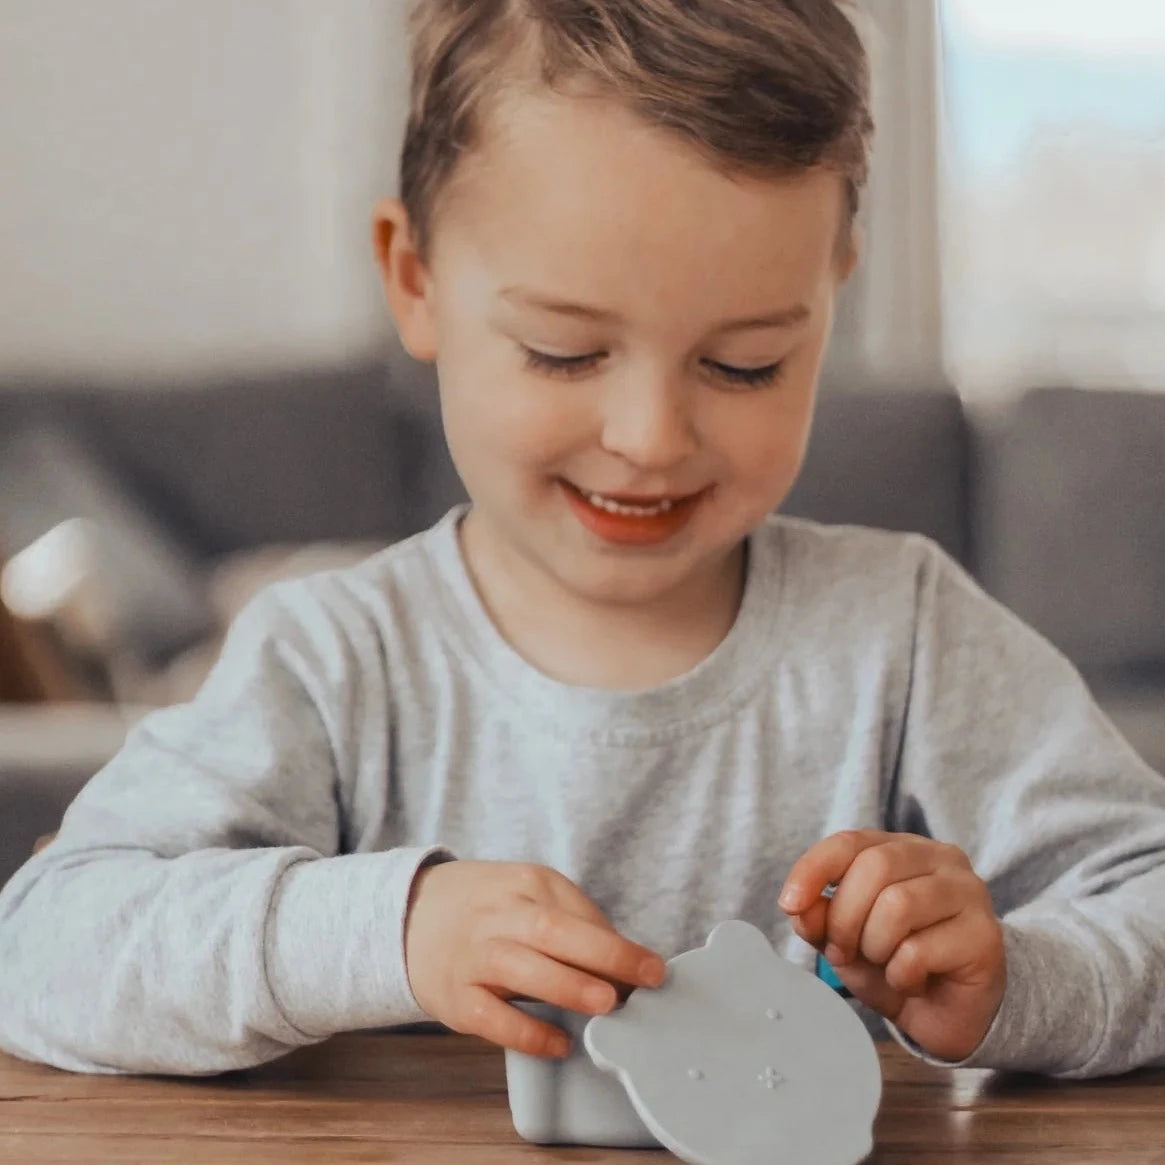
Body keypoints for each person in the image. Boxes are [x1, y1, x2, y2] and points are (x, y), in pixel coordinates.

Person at [1, 0, 1163, 1082]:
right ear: (414, 278)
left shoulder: (905, 638)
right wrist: (385, 930)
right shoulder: (331, 659)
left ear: (831, 291)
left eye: (744, 363)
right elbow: (43, 946)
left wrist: (1016, 980)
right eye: (564, 351)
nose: (649, 439)